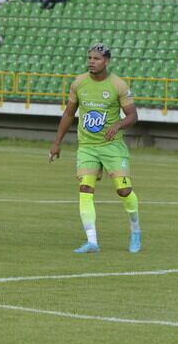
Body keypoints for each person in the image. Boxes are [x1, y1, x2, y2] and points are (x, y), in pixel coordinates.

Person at [49, 44, 141, 254]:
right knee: (85, 190)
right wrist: (57, 142)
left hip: (112, 146)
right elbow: (68, 114)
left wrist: (118, 124)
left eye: (96, 58)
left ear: (106, 61)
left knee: (124, 190)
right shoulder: (79, 83)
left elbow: (133, 115)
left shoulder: (118, 85)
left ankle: (135, 230)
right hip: (88, 147)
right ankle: (92, 241)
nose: (91, 61)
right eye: (89, 58)